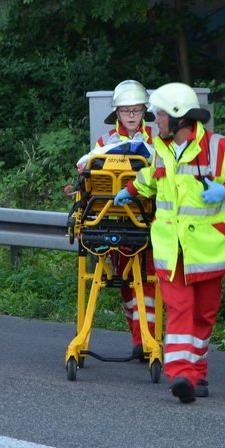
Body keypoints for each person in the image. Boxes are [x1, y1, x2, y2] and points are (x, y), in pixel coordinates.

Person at [114, 82, 225, 403]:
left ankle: (197, 370)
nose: (154, 120)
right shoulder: (162, 149)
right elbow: (151, 177)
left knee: (204, 315)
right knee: (180, 311)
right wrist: (132, 190)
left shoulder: (218, 148)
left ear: (178, 117)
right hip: (170, 250)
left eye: (160, 114)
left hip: (208, 251)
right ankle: (181, 373)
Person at [78, 80, 156, 357]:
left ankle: (147, 341)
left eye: (136, 110)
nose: (132, 115)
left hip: (144, 220)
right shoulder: (105, 142)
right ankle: (138, 338)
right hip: (110, 218)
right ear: (118, 114)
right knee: (125, 284)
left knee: (146, 281)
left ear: (144, 112)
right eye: (126, 111)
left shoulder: (154, 145)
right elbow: (85, 171)